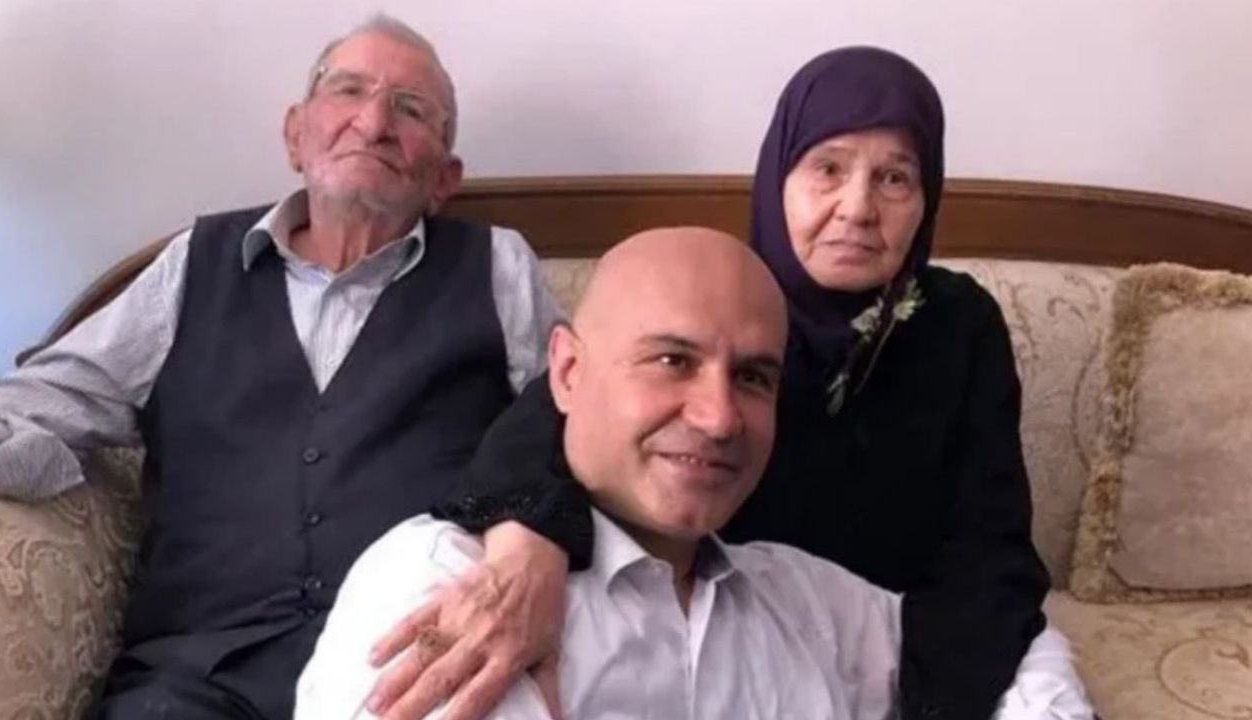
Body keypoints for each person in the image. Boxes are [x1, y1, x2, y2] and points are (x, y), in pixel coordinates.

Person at [364, 48, 1093, 720]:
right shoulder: (731, 305)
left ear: (928, 196)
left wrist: (932, 696)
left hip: (921, 627)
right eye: (828, 169)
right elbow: (553, 416)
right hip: (750, 625)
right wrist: (527, 537)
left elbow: (989, 536)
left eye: (895, 178)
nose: (857, 208)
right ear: (779, 178)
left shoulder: (959, 322)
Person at [0, 14, 564, 720]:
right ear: (295, 134)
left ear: (444, 178)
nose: (374, 122)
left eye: (411, 110)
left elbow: (579, 428)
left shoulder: (497, 268)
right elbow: (46, 397)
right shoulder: (194, 266)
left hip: (409, 668)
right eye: (348, 91)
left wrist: (539, 541)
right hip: (193, 682)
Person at [297, 226, 909, 720]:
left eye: (752, 377)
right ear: (567, 372)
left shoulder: (812, 604)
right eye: (672, 360)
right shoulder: (450, 585)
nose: (720, 418)